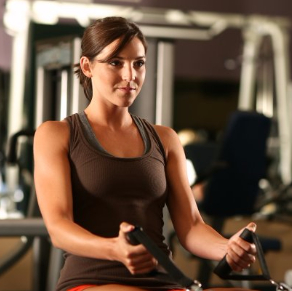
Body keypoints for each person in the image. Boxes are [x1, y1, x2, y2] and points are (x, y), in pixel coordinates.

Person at [33, 16, 257, 291]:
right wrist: (113, 249)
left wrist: (228, 247)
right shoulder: (56, 134)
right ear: (87, 66)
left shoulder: (165, 138)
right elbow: (58, 227)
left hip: (163, 280)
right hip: (92, 281)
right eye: (116, 62)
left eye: (138, 63)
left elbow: (191, 227)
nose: (130, 76)